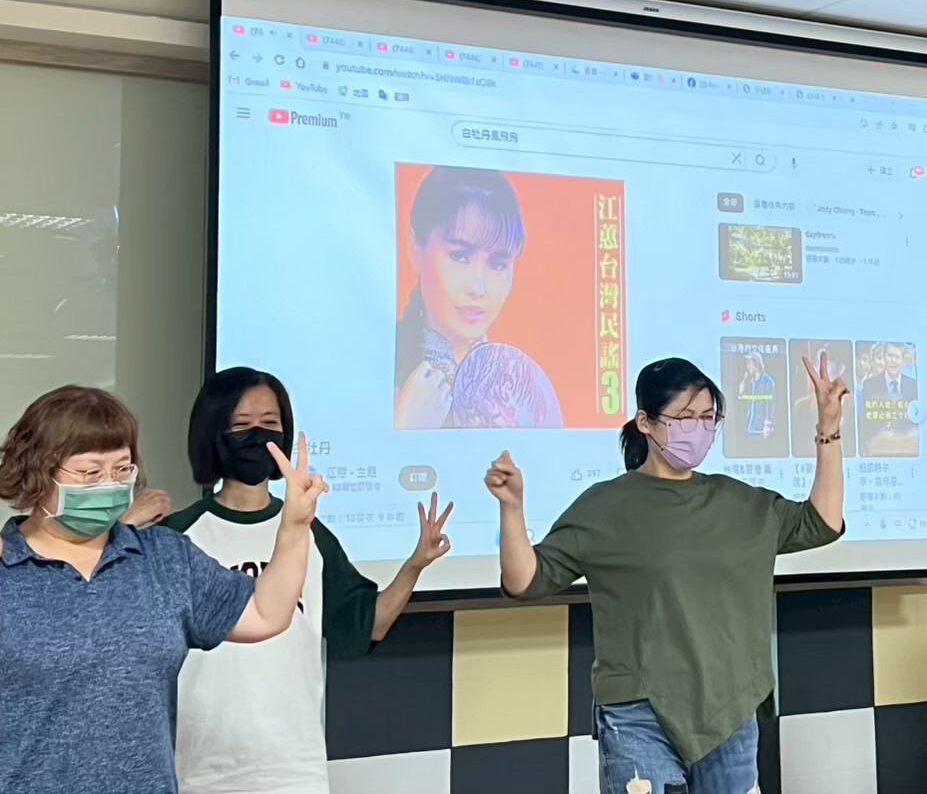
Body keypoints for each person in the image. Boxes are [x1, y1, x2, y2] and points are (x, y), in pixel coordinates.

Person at [486, 354, 847, 794]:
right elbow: (526, 580)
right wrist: (512, 508)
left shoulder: (739, 503)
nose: (699, 428)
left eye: (708, 418)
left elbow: (822, 522)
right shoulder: (605, 507)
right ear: (646, 422)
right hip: (638, 713)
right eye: (685, 417)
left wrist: (829, 429)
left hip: (729, 706)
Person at [137, 368, 455, 794]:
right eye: (242, 425)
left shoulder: (310, 534)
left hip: (293, 768)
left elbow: (365, 624)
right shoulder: (178, 536)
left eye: (270, 423)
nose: (257, 436)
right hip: (199, 769)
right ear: (214, 433)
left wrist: (415, 565)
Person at [0, 384, 326, 794]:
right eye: (90, 473)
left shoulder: (164, 557)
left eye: (122, 469)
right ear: (36, 471)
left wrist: (294, 525)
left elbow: (265, 613)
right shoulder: (7, 569)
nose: (109, 484)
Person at [395, 165, 560, 430]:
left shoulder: (523, 386)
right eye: (460, 256)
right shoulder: (380, 363)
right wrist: (408, 427)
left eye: (498, 264)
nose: (479, 288)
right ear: (415, 249)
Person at [739, 352, 776, 437]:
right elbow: (745, 403)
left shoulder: (767, 381)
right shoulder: (751, 382)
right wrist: (741, 392)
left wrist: (767, 425)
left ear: (756, 363)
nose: (747, 366)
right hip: (750, 428)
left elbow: (770, 404)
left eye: (749, 362)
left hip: (761, 430)